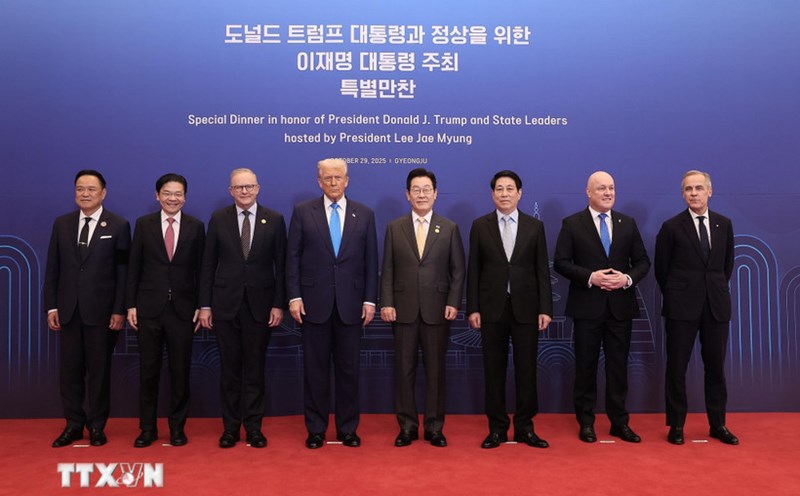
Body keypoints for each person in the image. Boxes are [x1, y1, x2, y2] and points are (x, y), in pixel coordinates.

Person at [287, 158, 378, 449]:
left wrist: (369, 300)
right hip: (313, 305)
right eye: (328, 178)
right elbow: (293, 258)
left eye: (338, 177)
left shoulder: (364, 214)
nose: (334, 183)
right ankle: (316, 429)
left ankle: (347, 429)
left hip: (351, 305)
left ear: (347, 180)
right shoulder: (303, 212)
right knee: (315, 371)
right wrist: (294, 296)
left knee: (349, 371)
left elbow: (370, 261)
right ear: (319, 181)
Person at [553, 171, 650, 443]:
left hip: (620, 307)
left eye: (611, 188)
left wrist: (627, 279)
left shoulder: (627, 223)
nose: (608, 193)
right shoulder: (572, 224)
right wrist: (590, 277)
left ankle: (619, 422)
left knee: (618, 368)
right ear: (588, 192)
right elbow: (561, 262)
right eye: (601, 188)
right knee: (586, 367)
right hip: (587, 308)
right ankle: (586, 422)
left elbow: (643, 262)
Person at [198, 168, 286, 448]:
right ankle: (231, 428)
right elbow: (208, 265)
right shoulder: (218, 219)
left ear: (258, 188)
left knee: (255, 370)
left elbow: (281, 267)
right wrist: (205, 305)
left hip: (261, 308)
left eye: (249, 186)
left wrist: (278, 304)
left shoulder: (274, 219)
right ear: (230, 191)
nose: (244, 191)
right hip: (225, 307)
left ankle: (254, 427)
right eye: (239, 187)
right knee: (230, 370)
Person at [466, 170, 553, 449]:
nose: (504, 193)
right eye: (499, 189)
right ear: (492, 194)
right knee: (494, 371)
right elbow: (474, 271)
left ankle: (526, 428)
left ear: (520, 193)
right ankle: (497, 429)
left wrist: (545, 308)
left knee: (527, 370)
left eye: (510, 188)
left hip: (527, 309)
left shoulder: (534, 226)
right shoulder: (480, 226)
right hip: (492, 309)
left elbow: (542, 270)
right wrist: (473, 308)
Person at [44, 169, 130, 447]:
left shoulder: (118, 225)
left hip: (102, 314)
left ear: (103, 193)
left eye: (91, 189)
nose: (85, 194)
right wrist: (51, 307)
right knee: (70, 372)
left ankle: (96, 426)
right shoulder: (62, 224)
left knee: (99, 373)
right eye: (80, 189)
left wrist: (119, 310)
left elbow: (122, 272)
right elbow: (53, 268)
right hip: (68, 312)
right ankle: (73, 424)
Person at [380, 168, 465, 448]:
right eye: (416, 189)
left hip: (438, 310)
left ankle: (434, 427)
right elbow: (388, 269)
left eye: (426, 189)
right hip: (402, 310)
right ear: (407, 195)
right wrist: (387, 302)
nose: (421, 194)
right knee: (403, 370)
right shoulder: (394, 227)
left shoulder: (449, 227)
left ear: (436, 193)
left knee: (435, 371)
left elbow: (458, 271)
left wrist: (453, 302)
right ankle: (406, 427)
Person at [655, 170, 738, 445]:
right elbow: (662, 270)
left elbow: (725, 266)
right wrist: (683, 292)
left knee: (715, 368)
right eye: (688, 189)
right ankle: (676, 426)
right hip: (681, 308)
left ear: (709, 192)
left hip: (715, 307)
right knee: (676, 368)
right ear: (683, 194)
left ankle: (718, 425)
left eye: (698, 188)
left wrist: (710, 290)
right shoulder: (671, 227)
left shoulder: (724, 225)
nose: (694, 193)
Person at [125, 173, 205, 447]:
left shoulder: (196, 227)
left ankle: (177, 428)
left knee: (180, 372)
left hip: (183, 311)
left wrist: (200, 304)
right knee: (148, 372)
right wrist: (131, 304)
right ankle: (147, 429)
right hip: (148, 309)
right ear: (157, 196)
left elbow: (202, 271)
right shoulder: (143, 225)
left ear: (185, 197)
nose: (173, 198)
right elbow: (134, 267)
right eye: (167, 193)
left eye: (178, 193)